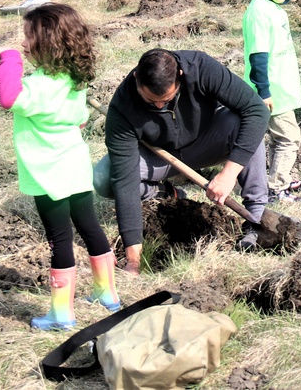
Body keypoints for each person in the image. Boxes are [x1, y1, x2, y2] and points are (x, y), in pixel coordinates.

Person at [0, 3, 120, 330]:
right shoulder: (74, 78)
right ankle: (107, 295)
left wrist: (10, 60)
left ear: (46, 42)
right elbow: (80, 119)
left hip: (48, 174)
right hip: (76, 166)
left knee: (59, 240)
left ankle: (61, 314)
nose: (23, 43)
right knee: (91, 228)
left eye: (28, 37)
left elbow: (8, 97)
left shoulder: (38, 87)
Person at [94, 49, 270, 266]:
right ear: (135, 79)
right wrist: (133, 259)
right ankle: (168, 193)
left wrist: (229, 173)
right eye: (150, 100)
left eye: (166, 99)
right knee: (103, 177)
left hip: (209, 140)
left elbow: (257, 111)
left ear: (180, 75)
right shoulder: (122, 107)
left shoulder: (200, 68)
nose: (159, 106)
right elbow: (124, 180)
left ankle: (255, 216)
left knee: (247, 125)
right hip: (162, 157)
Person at [242, 0, 301, 203]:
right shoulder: (259, 11)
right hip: (271, 93)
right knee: (290, 138)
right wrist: (264, 91)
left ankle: (277, 176)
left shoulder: (272, 8)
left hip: (280, 90)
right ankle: (276, 187)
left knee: (279, 139)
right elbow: (257, 57)